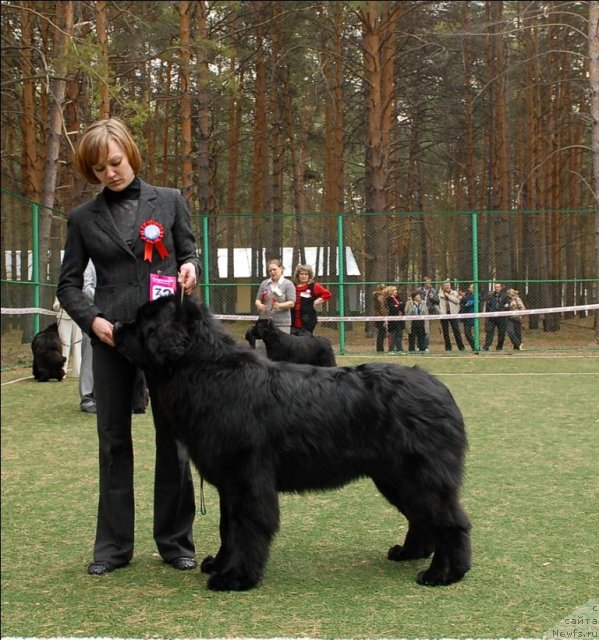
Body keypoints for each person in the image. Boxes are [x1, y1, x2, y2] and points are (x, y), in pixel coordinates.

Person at [56, 117, 200, 576]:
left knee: (173, 441)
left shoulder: (171, 202)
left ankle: (175, 541)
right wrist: (92, 319)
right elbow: (68, 284)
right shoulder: (82, 219)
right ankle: (113, 547)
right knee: (113, 442)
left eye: (115, 162)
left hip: (168, 340)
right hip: (113, 337)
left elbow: (189, 252)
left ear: (130, 154)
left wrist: (192, 268)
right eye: (99, 169)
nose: (110, 173)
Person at [254, 259, 296, 349]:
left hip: (282, 323)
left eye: (274, 269)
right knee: (261, 348)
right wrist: (258, 304)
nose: (272, 272)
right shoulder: (264, 283)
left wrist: (279, 305)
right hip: (264, 322)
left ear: (281, 269)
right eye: (270, 270)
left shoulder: (288, 284)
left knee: (281, 350)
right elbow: (258, 299)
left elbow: (292, 303)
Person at [291, 264, 332, 335]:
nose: (304, 276)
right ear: (298, 275)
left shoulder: (314, 286)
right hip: (293, 319)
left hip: (308, 320)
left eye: (306, 274)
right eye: (301, 274)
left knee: (306, 342)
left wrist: (317, 301)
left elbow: (327, 294)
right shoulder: (292, 286)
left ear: (309, 276)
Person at [79, 259, 96, 413]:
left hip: (118, 311)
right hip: (93, 314)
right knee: (89, 355)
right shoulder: (89, 262)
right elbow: (86, 289)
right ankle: (87, 396)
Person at [52, 295, 82, 376]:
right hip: (63, 318)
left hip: (77, 317)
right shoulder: (60, 291)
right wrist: (59, 304)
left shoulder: (78, 290)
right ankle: (62, 371)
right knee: (64, 344)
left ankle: (77, 371)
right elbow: (55, 307)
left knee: (77, 343)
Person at [482, 282, 510, 351]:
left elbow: (507, 306)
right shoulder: (490, 296)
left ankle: (499, 347)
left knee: (502, 333)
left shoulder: (505, 296)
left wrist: (501, 311)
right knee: (489, 332)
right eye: (495, 287)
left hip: (501, 318)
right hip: (492, 317)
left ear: (501, 288)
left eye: (498, 287)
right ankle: (486, 347)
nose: (496, 288)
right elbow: (488, 305)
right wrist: (492, 311)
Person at [439, 281, 465, 352]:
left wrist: (448, 296)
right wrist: (440, 311)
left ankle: (461, 347)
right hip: (444, 315)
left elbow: (457, 301)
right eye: (446, 286)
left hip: (453, 314)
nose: (447, 287)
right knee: (445, 332)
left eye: (448, 285)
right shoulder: (439, 294)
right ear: (443, 287)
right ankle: (448, 348)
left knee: (456, 331)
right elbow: (437, 304)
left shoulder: (455, 293)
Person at [416, 277, 439, 350]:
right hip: (419, 311)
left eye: (430, 282)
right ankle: (419, 346)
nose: (430, 284)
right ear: (424, 283)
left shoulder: (433, 291)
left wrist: (432, 298)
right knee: (419, 329)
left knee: (426, 330)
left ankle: (425, 346)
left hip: (429, 312)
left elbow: (437, 301)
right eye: (428, 282)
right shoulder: (418, 290)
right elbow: (414, 299)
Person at [386, 285, 405, 353]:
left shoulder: (398, 298)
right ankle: (391, 349)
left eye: (396, 290)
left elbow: (402, 305)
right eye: (394, 290)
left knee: (399, 334)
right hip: (393, 320)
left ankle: (400, 349)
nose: (396, 291)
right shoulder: (388, 299)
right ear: (391, 291)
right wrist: (398, 306)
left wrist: (398, 305)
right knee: (393, 334)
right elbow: (392, 308)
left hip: (400, 319)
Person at [459, 283, 476, 351]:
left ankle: (476, 347)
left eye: (471, 288)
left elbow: (469, 303)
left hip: (473, 317)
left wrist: (465, 301)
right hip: (466, 317)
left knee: (469, 333)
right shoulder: (467, 295)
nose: (469, 289)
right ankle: (474, 347)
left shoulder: (477, 295)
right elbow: (463, 303)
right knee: (467, 333)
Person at [372, 284, 388, 353]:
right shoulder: (381, 297)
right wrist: (385, 316)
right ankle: (380, 349)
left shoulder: (378, 296)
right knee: (381, 333)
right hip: (381, 316)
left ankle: (380, 348)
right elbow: (382, 308)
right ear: (383, 289)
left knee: (381, 333)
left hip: (378, 316)